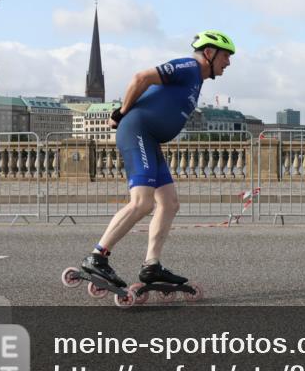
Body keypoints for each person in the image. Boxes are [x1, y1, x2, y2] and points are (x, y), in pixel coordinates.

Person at [79, 30, 236, 291]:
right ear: (209, 53)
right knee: (142, 202)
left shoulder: (197, 80)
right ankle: (97, 256)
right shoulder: (188, 66)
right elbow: (141, 77)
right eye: (226, 56)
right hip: (138, 131)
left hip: (150, 139)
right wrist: (121, 112)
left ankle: (151, 265)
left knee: (170, 203)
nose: (228, 63)